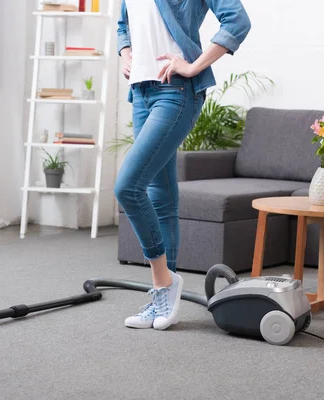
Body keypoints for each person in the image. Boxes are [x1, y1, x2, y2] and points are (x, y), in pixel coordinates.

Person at [114, 0, 251, 330]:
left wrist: (194, 66)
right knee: (159, 193)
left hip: (176, 91)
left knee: (128, 188)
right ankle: (163, 295)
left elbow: (237, 21)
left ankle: (164, 280)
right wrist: (126, 54)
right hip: (142, 92)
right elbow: (124, 25)